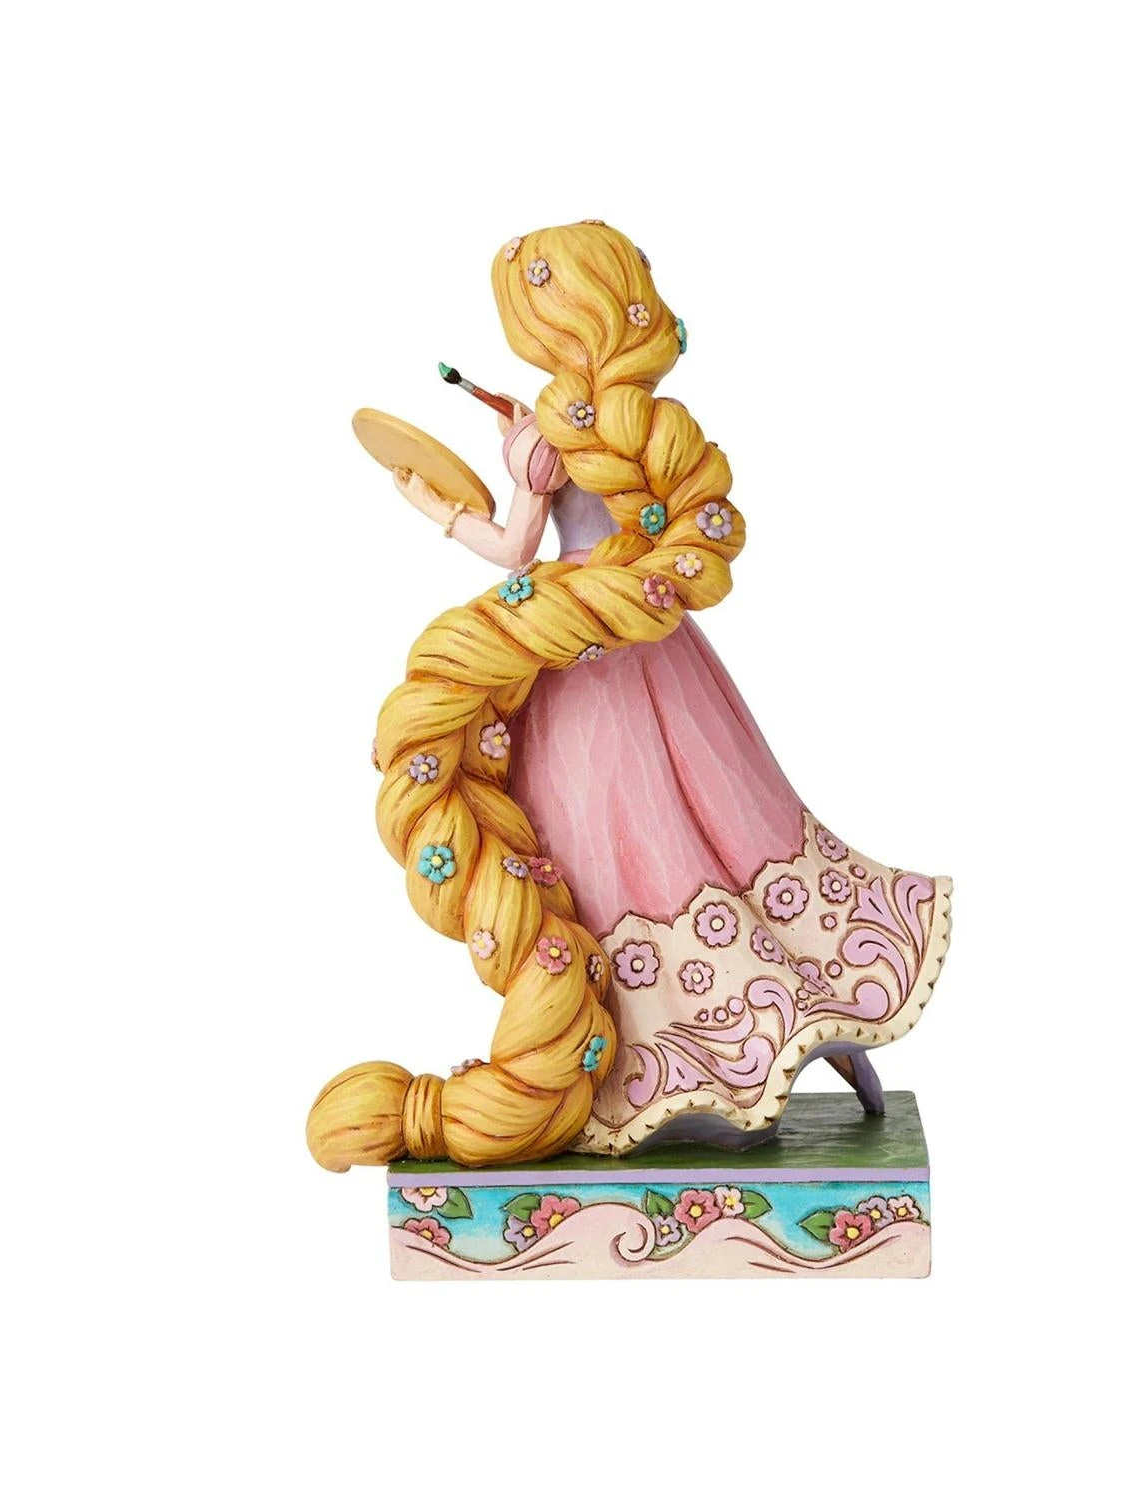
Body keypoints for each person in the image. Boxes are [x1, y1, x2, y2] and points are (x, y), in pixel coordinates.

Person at [307, 222, 949, 1169]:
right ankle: (816, 1017)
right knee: (719, 820)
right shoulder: (632, 420)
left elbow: (513, 551)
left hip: (579, 657)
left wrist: (438, 504)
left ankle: (664, 1062)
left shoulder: (547, 439)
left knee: (607, 848)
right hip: (652, 640)